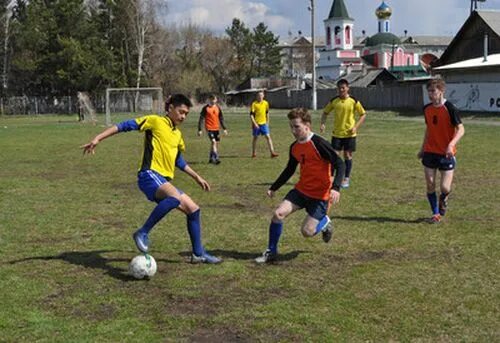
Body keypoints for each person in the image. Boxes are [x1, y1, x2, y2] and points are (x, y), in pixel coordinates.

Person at [81, 94, 222, 264]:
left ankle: (198, 254)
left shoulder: (177, 134)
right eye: (181, 112)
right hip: (148, 175)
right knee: (174, 198)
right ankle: (142, 232)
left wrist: (196, 177)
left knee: (193, 209)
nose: (183, 116)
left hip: (162, 179)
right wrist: (98, 138)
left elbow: (178, 160)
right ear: (170, 108)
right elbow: (125, 125)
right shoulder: (155, 121)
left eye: (186, 114)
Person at [255, 108, 345, 264]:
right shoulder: (294, 147)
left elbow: (340, 163)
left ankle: (324, 222)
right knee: (278, 214)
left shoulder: (319, 143)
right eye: (291, 127)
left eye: (296, 126)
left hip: (320, 196)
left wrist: (336, 187)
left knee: (306, 232)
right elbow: (290, 169)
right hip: (301, 191)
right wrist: (274, 187)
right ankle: (271, 252)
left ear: (307, 125)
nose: (293, 131)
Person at [418, 78, 465, 223]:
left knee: (445, 187)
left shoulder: (450, 108)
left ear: (441, 91)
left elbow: (461, 129)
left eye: (433, 91)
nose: (431, 95)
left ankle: (443, 198)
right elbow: (429, 130)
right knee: (430, 184)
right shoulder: (427, 109)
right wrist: (422, 149)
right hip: (430, 151)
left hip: (446, 153)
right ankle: (435, 213)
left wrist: (451, 144)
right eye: (429, 92)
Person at [320, 78, 366, 189]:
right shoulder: (334, 101)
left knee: (347, 155)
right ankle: (330, 177)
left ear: (347, 88)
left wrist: (355, 127)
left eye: (343, 88)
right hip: (337, 134)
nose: (341, 90)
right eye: (339, 88)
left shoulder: (354, 101)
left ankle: (346, 178)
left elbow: (363, 114)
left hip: (349, 135)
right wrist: (323, 124)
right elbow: (325, 113)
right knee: (334, 156)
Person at [197, 95, 228, 164]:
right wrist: (200, 129)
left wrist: (224, 128)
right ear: (209, 100)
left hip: (216, 128)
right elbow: (201, 119)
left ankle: (211, 158)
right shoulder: (205, 108)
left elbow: (221, 118)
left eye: (215, 99)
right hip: (209, 128)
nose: (213, 101)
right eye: (212, 99)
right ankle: (216, 158)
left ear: (216, 100)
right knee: (214, 142)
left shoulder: (218, 108)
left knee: (215, 143)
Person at [250, 90, 279, 158]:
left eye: (261, 95)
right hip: (257, 124)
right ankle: (254, 153)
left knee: (268, 137)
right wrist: (254, 124)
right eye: (258, 96)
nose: (260, 97)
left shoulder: (266, 103)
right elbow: (251, 115)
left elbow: (267, 113)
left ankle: (272, 152)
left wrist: (267, 122)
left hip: (264, 124)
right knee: (255, 138)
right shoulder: (254, 104)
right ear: (257, 96)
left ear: (263, 96)